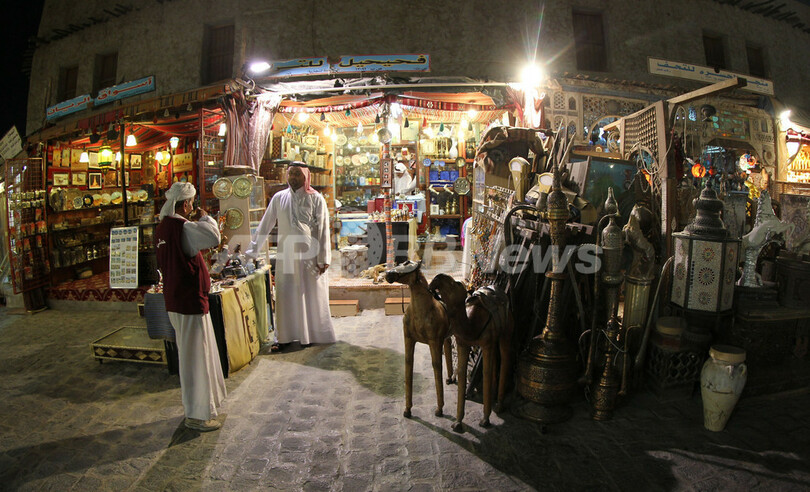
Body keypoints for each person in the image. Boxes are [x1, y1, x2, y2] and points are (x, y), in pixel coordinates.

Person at [155, 182, 226, 432]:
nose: (193, 206)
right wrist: (206, 218)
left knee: (194, 354)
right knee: (195, 358)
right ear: (185, 204)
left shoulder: (163, 227)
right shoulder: (182, 227)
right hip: (187, 300)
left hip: (177, 299)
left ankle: (204, 408)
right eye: (191, 202)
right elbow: (213, 237)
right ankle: (197, 415)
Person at [246, 163, 336, 351]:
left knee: (311, 295)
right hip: (286, 256)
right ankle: (285, 337)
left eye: (297, 174)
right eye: (291, 174)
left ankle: (312, 335)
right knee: (286, 294)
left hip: (311, 258)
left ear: (305, 177)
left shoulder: (316, 198)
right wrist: (251, 252)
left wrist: (324, 258)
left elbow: (323, 229)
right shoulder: (279, 198)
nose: (293, 177)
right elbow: (265, 225)